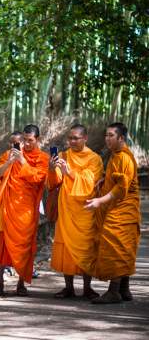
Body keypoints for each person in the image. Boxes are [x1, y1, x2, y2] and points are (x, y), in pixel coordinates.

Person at [85, 122, 140, 304]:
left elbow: (121, 189)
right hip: (119, 209)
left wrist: (100, 200)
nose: (107, 139)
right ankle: (124, 289)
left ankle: (113, 291)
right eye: (106, 135)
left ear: (121, 138)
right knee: (123, 248)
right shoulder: (116, 155)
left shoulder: (123, 158)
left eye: (111, 135)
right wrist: (104, 180)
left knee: (116, 246)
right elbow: (115, 179)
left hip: (123, 209)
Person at [0, 124, 49, 296]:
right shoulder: (9, 154)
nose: (27, 143)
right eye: (24, 139)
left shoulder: (42, 158)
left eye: (30, 140)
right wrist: (10, 161)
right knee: (3, 246)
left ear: (37, 139)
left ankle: (21, 283)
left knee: (25, 246)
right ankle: (0, 281)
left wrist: (23, 161)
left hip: (26, 210)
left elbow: (38, 179)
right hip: (8, 206)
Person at [48, 124, 104, 299]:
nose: (72, 141)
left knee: (87, 247)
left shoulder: (94, 159)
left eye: (76, 138)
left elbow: (90, 183)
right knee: (65, 247)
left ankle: (87, 287)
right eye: (70, 138)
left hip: (85, 209)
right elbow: (55, 182)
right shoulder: (64, 155)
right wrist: (52, 168)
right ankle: (69, 287)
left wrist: (69, 172)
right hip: (66, 207)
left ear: (85, 138)